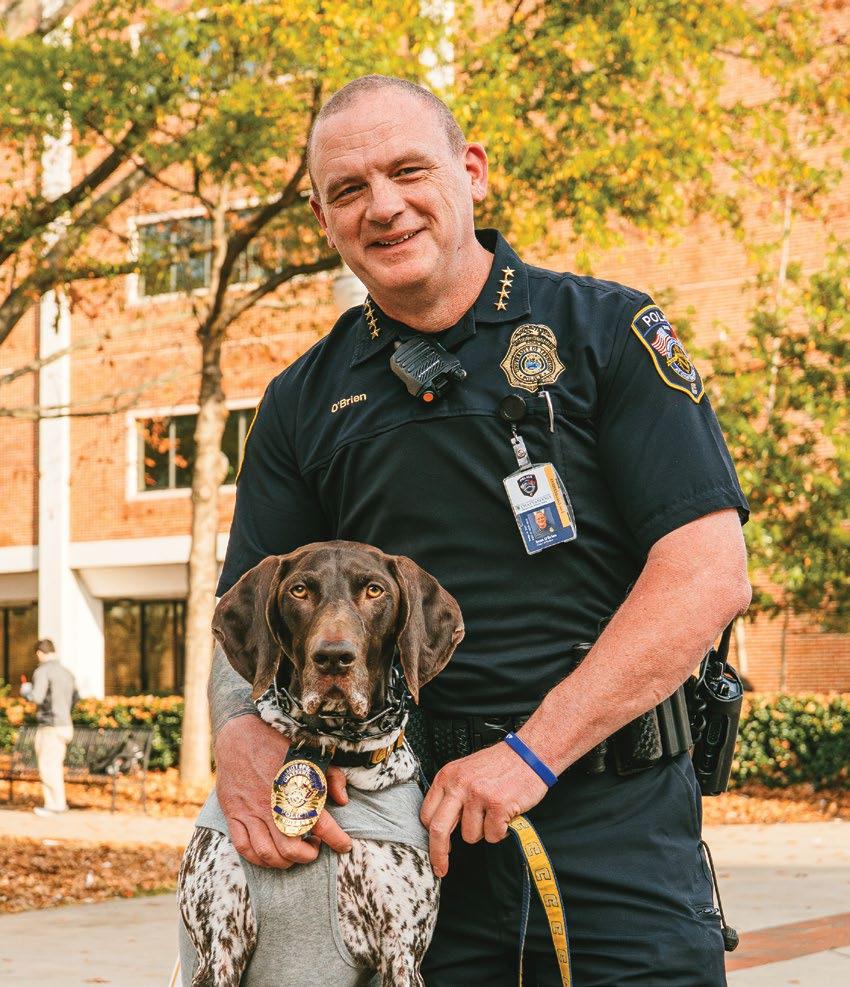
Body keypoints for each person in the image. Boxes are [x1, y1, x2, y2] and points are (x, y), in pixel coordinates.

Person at [208, 75, 751, 985]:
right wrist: (236, 733)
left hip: (614, 830)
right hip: (407, 842)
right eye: (348, 189)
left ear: (471, 171)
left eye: (407, 171)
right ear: (322, 218)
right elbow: (247, 607)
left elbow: (707, 574)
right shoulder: (301, 399)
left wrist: (530, 753)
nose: (383, 206)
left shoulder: (605, 330)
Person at [20, 639, 78, 817]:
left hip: (50, 726)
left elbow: (37, 697)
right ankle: (58, 803)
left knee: (47, 766)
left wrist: (26, 691)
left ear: (39, 653)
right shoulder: (67, 672)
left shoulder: (43, 671)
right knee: (55, 766)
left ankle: (54, 806)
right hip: (65, 725)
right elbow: (76, 697)